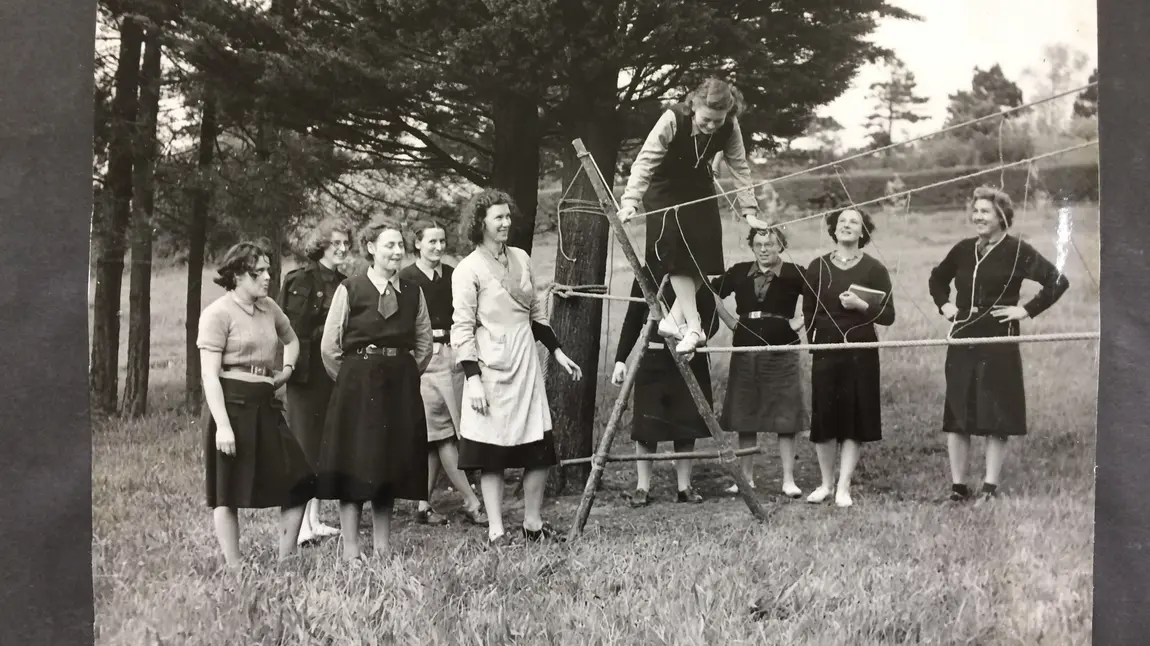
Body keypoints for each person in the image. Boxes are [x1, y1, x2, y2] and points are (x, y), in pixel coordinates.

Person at [451, 189, 583, 546]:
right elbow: (461, 328)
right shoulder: (468, 270)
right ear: (481, 223)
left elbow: (536, 315)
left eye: (508, 216)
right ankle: (496, 529)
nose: (506, 222)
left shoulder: (522, 258)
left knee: (536, 446)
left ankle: (533, 523)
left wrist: (556, 352)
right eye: (498, 217)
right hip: (489, 367)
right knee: (491, 452)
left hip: (525, 363)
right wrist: (473, 379)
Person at [927, 185, 1069, 503]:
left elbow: (1057, 280)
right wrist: (946, 307)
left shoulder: (1018, 251)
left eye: (985, 211)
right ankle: (958, 486)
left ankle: (990, 487)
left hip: (999, 338)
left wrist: (1026, 309)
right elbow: (937, 278)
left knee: (996, 412)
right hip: (963, 336)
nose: (978, 216)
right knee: (958, 411)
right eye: (975, 211)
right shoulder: (963, 249)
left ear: (1002, 216)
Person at [616, 77, 770, 355]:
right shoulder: (672, 118)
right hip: (664, 188)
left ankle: (675, 320)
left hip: (699, 187)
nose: (711, 126)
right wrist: (630, 203)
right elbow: (645, 161)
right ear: (693, 106)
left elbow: (739, 167)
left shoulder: (730, 127)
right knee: (676, 251)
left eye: (717, 121)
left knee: (706, 254)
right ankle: (693, 324)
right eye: (706, 119)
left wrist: (749, 212)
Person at [318, 216, 434, 561]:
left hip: (399, 386)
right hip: (357, 387)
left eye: (400, 245)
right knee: (354, 464)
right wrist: (353, 381)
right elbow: (330, 346)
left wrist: (403, 372)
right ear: (370, 249)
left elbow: (424, 343)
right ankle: (351, 550)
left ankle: (382, 547)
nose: (397, 252)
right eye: (389, 245)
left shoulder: (413, 291)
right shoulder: (350, 289)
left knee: (389, 463)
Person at [196, 241, 315, 567]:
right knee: (227, 490)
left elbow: (290, 340)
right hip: (231, 407)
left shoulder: (270, 308)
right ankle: (236, 568)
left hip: (266, 404)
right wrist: (222, 425)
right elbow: (209, 377)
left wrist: (286, 371)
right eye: (257, 272)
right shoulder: (217, 314)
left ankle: (286, 559)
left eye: (268, 271)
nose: (266, 278)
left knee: (300, 478)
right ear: (236, 275)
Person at [801, 207, 896, 508]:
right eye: (841, 221)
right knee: (825, 417)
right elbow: (808, 312)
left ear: (862, 231)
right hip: (826, 350)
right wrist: (813, 344)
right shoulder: (817, 266)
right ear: (834, 229)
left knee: (855, 417)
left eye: (853, 222)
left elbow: (888, 316)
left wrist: (861, 305)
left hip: (861, 351)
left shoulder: (875, 269)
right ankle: (826, 484)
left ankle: (844, 487)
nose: (846, 225)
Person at [398, 219, 488, 526]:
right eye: (431, 241)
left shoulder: (453, 275)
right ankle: (471, 500)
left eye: (441, 241)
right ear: (417, 244)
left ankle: (423, 504)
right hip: (425, 360)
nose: (437, 247)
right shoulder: (406, 278)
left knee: (439, 434)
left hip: (456, 356)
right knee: (444, 433)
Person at [610, 267, 722, 507]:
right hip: (654, 357)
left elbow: (712, 318)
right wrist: (620, 359)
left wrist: (697, 340)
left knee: (686, 422)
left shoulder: (695, 272)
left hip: (688, 356)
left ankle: (684, 486)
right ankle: (642, 487)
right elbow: (632, 317)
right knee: (647, 424)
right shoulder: (646, 274)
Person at [711, 227, 808, 498]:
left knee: (786, 414)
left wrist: (798, 323)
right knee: (745, 413)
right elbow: (710, 292)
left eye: (770, 244)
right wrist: (731, 322)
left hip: (782, 349)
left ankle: (788, 479)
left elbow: (818, 296)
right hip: (746, 347)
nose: (764, 249)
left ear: (781, 246)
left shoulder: (794, 272)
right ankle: (746, 479)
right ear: (752, 246)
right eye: (758, 244)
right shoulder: (739, 271)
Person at [278, 217, 352, 544]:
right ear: (321, 244)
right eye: (335, 242)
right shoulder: (300, 280)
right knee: (305, 448)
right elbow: (290, 331)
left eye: (345, 242)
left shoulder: (347, 282)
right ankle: (301, 526)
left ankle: (315, 518)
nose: (342, 248)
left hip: (334, 373)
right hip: (306, 375)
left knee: (324, 447)